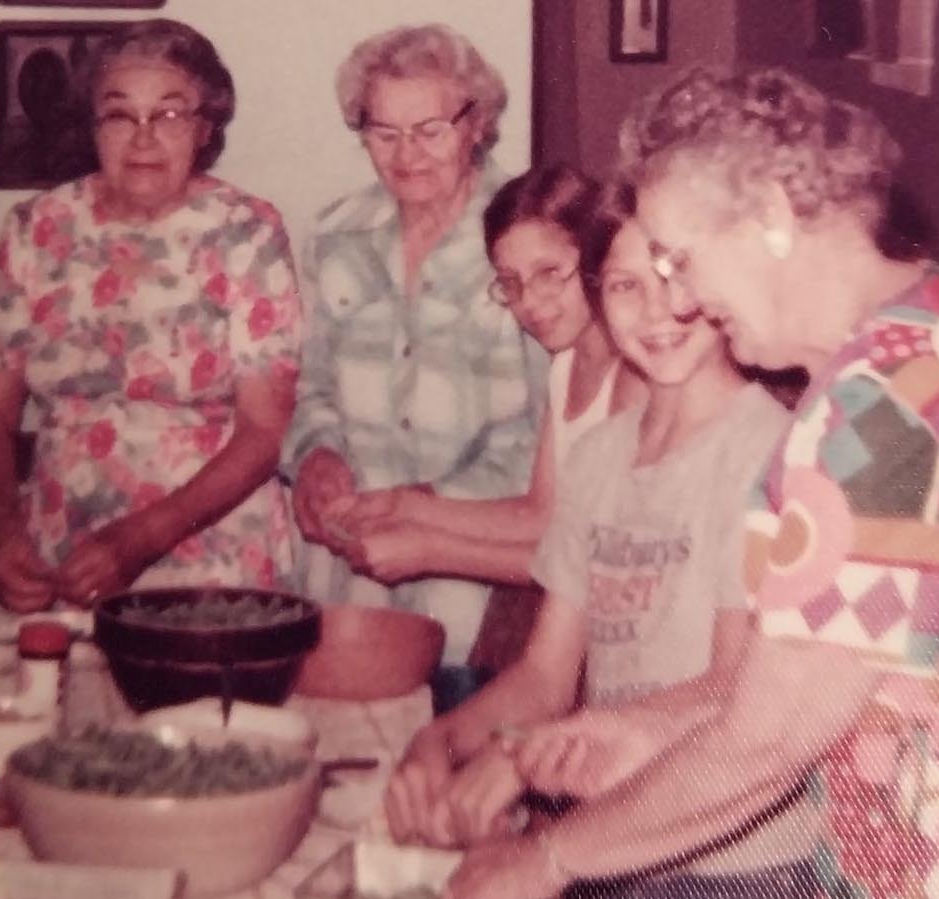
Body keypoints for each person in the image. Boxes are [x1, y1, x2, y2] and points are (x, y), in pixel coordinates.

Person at [444, 67, 939, 899]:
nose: (679, 296)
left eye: (682, 259)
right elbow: (838, 666)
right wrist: (651, 723)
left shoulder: (880, 411)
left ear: (773, 220)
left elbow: (770, 740)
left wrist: (546, 859)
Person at [387, 183, 820, 898]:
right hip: (608, 835)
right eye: (624, 285)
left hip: (735, 857)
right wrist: (441, 740)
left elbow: (733, 686)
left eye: (673, 279)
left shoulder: (766, 453)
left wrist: (524, 756)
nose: (656, 312)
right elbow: (545, 677)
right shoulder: (599, 458)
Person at [0, 19, 301, 612]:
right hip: (62, 554)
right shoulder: (37, 230)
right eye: (120, 114)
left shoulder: (245, 232)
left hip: (212, 555)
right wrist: (3, 528)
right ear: (93, 127)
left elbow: (264, 433)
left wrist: (141, 538)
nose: (143, 138)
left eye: (168, 115)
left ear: (204, 128)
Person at [283, 24, 546, 675]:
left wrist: (422, 504)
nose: (407, 155)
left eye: (429, 130)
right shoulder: (335, 235)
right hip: (342, 582)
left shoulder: (527, 241)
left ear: (476, 123)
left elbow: (544, 435)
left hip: (472, 585)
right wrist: (314, 456)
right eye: (383, 133)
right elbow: (308, 383)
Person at [329, 165, 642, 591]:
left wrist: (432, 550)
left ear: (596, 257)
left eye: (549, 273)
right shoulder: (565, 367)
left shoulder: (635, 378)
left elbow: (597, 559)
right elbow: (538, 515)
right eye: (511, 283)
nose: (529, 302)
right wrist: (402, 506)